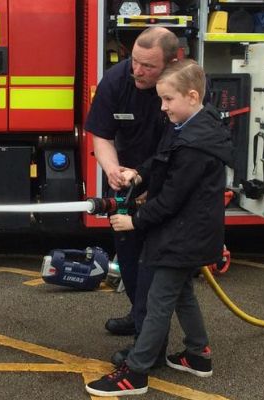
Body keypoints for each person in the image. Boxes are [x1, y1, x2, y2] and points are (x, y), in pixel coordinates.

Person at [85, 59, 233, 396]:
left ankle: (135, 373)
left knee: (158, 300)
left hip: (183, 235)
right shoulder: (191, 127)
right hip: (191, 234)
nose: (162, 107)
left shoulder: (196, 145)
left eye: (168, 100)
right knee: (182, 293)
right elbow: (162, 159)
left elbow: (170, 200)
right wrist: (138, 174)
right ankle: (199, 355)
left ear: (192, 96)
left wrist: (133, 221)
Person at [84, 27, 180, 340]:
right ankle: (139, 314)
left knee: (154, 263)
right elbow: (102, 135)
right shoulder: (116, 79)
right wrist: (112, 170)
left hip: (166, 185)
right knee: (128, 258)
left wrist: (155, 187)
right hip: (126, 182)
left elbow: (183, 149)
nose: (137, 70)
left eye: (148, 66)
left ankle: (148, 340)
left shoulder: (182, 87)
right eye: (134, 60)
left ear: (170, 63)